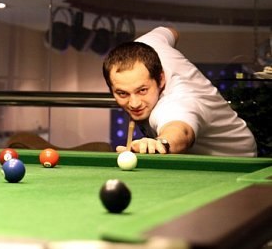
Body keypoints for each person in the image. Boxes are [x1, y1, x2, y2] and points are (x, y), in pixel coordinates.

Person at [102, 26, 257, 157]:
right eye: (122, 93)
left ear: (161, 79)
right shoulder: (148, 44)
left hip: (236, 160)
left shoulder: (176, 103)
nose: (134, 103)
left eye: (142, 90)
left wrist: (159, 144)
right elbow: (170, 31)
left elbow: (181, 133)